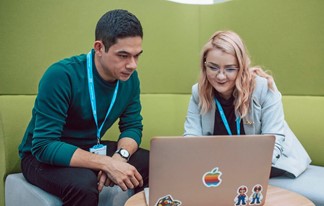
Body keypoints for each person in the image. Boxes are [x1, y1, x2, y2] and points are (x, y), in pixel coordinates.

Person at [18, 9, 148, 205]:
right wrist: (107, 164)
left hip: (90, 146)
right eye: (123, 55)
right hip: (40, 157)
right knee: (84, 186)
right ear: (99, 47)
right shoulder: (61, 75)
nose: (132, 65)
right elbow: (44, 145)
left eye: (137, 55)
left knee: (156, 164)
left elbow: (132, 126)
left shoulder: (130, 78)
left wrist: (120, 157)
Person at [184, 30, 303, 178]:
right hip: (220, 168)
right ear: (204, 65)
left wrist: (242, 170)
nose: (220, 76)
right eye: (213, 67)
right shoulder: (198, 92)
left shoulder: (263, 88)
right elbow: (191, 139)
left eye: (230, 69)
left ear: (241, 67)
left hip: (268, 165)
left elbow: (273, 142)